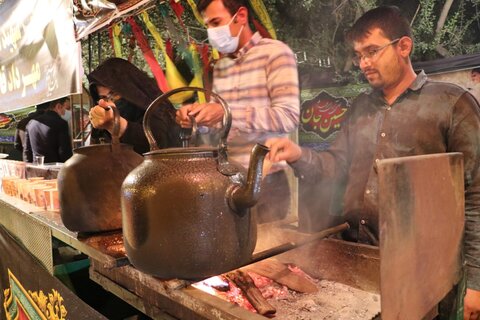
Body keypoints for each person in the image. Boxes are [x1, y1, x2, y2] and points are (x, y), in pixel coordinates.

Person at [266, 6, 480, 319]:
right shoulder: (360, 108)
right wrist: (299, 155)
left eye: (372, 51)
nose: (364, 63)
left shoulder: (451, 103)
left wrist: (476, 281)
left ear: (403, 46)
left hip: (426, 270)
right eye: (358, 55)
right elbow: (336, 167)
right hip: (361, 257)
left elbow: (475, 197)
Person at [175, 0, 300, 223]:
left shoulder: (276, 53)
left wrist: (225, 113)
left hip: (266, 182)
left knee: (266, 252)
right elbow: (223, 126)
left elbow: (287, 117)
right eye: (208, 26)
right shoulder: (221, 66)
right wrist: (197, 119)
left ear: (240, 15)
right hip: (229, 181)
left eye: (216, 22)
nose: (212, 32)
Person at [87, 58, 181, 154]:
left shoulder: (156, 109)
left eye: (114, 94)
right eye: (104, 97)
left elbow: (157, 144)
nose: (110, 102)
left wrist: (115, 124)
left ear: (130, 90)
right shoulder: (103, 123)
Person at [24, 97, 73, 163]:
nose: (66, 112)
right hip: (54, 168)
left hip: (35, 167)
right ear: (58, 106)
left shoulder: (31, 123)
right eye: (67, 108)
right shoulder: (61, 123)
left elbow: (27, 151)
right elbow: (64, 152)